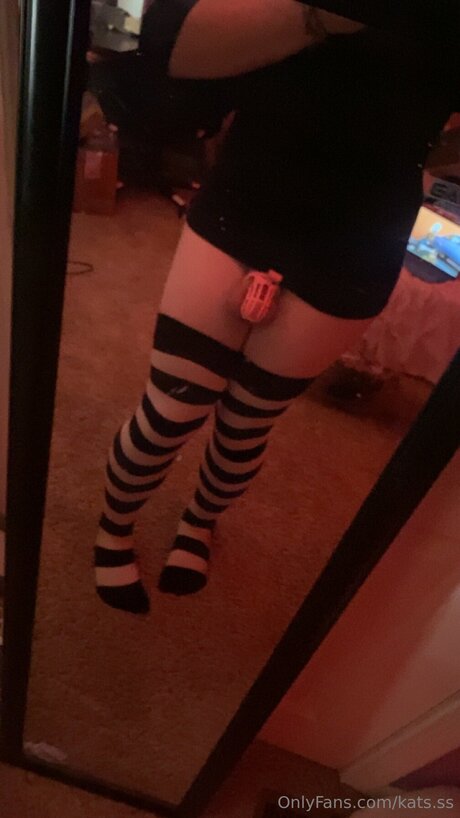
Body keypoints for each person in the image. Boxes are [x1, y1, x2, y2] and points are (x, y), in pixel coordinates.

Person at [94, 0, 460, 614]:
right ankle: (113, 529)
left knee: (248, 423)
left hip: (357, 241)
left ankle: (198, 524)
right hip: (246, 202)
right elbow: (172, 48)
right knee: (170, 410)